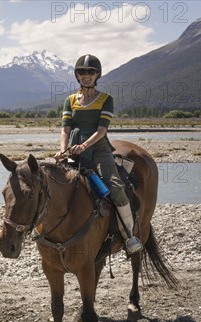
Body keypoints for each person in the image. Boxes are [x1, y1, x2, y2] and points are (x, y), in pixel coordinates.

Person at [55, 54, 143, 254]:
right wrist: (62, 150)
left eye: (91, 72)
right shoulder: (69, 101)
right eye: (82, 72)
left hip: (99, 149)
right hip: (73, 148)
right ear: (77, 75)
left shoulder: (105, 99)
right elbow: (65, 129)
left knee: (115, 186)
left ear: (97, 75)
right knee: (53, 183)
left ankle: (130, 235)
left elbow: (102, 130)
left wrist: (85, 146)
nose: (86, 76)